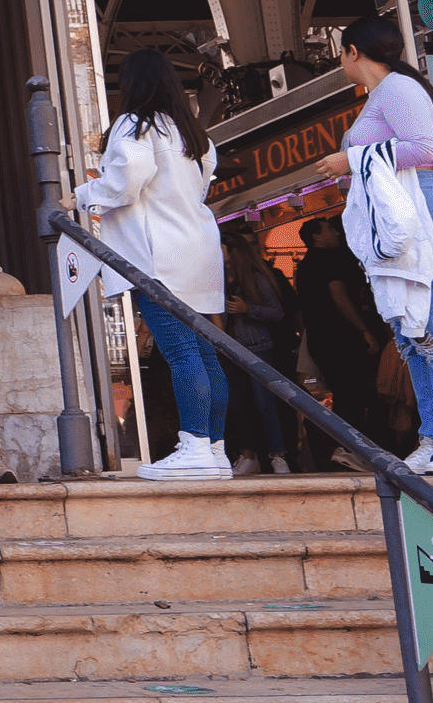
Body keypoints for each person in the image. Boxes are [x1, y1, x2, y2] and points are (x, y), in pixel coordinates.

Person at [335, 17, 433, 474]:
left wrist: (351, 158)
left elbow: (423, 148)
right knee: (411, 332)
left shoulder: (397, 91)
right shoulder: (387, 94)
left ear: (352, 51)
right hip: (407, 215)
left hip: (421, 211)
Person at [78, 52, 231, 481]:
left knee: (181, 351)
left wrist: (80, 194)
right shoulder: (194, 134)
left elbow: (127, 182)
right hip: (198, 249)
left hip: (157, 253)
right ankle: (215, 449)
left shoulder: (135, 125)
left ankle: (195, 445)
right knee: (204, 353)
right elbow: (197, 188)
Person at [290, 221, 410, 453]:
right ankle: (358, 449)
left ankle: (348, 448)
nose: (336, 232)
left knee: (346, 395)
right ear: (316, 236)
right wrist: (364, 329)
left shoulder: (304, 266)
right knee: (358, 395)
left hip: (322, 340)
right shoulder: (327, 261)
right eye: (329, 229)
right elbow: (339, 296)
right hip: (342, 338)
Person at [218, 222, 311, 476]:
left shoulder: (256, 279)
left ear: (232, 252)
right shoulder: (217, 281)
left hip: (258, 348)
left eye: (221, 249)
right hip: (230, 351)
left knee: (265, 404)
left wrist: (249, 310)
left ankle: (277, 456)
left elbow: (278, 313)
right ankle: (249, 455)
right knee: (239, 406)